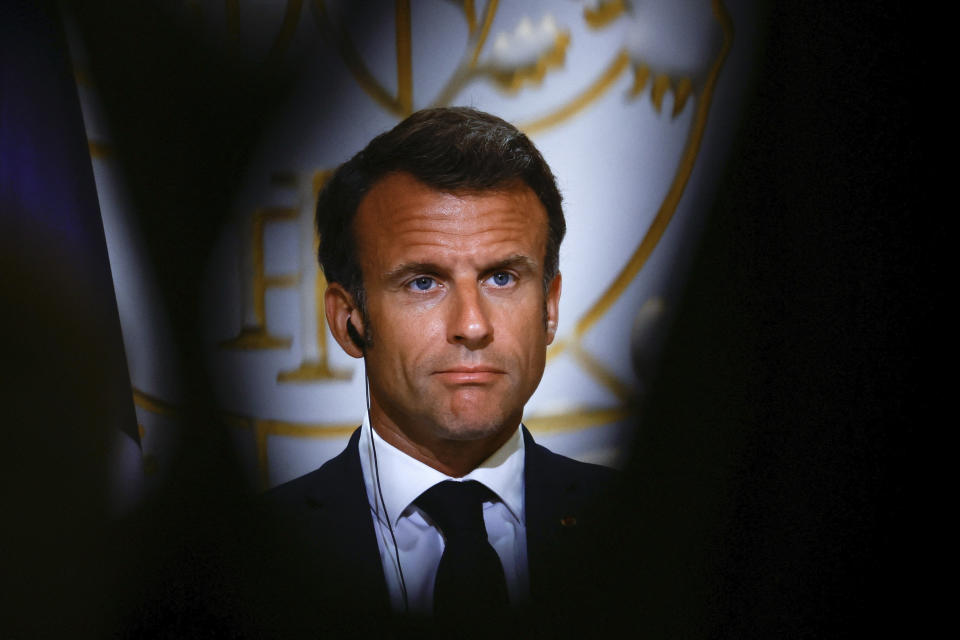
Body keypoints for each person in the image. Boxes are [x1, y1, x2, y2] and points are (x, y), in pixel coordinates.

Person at [257, 107, 616, 636]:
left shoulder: (647, 527)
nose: (472, 325)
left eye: (501, 277)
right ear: (348, 320)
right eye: (424, 282)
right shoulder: (252, 551)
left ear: (550, 307)